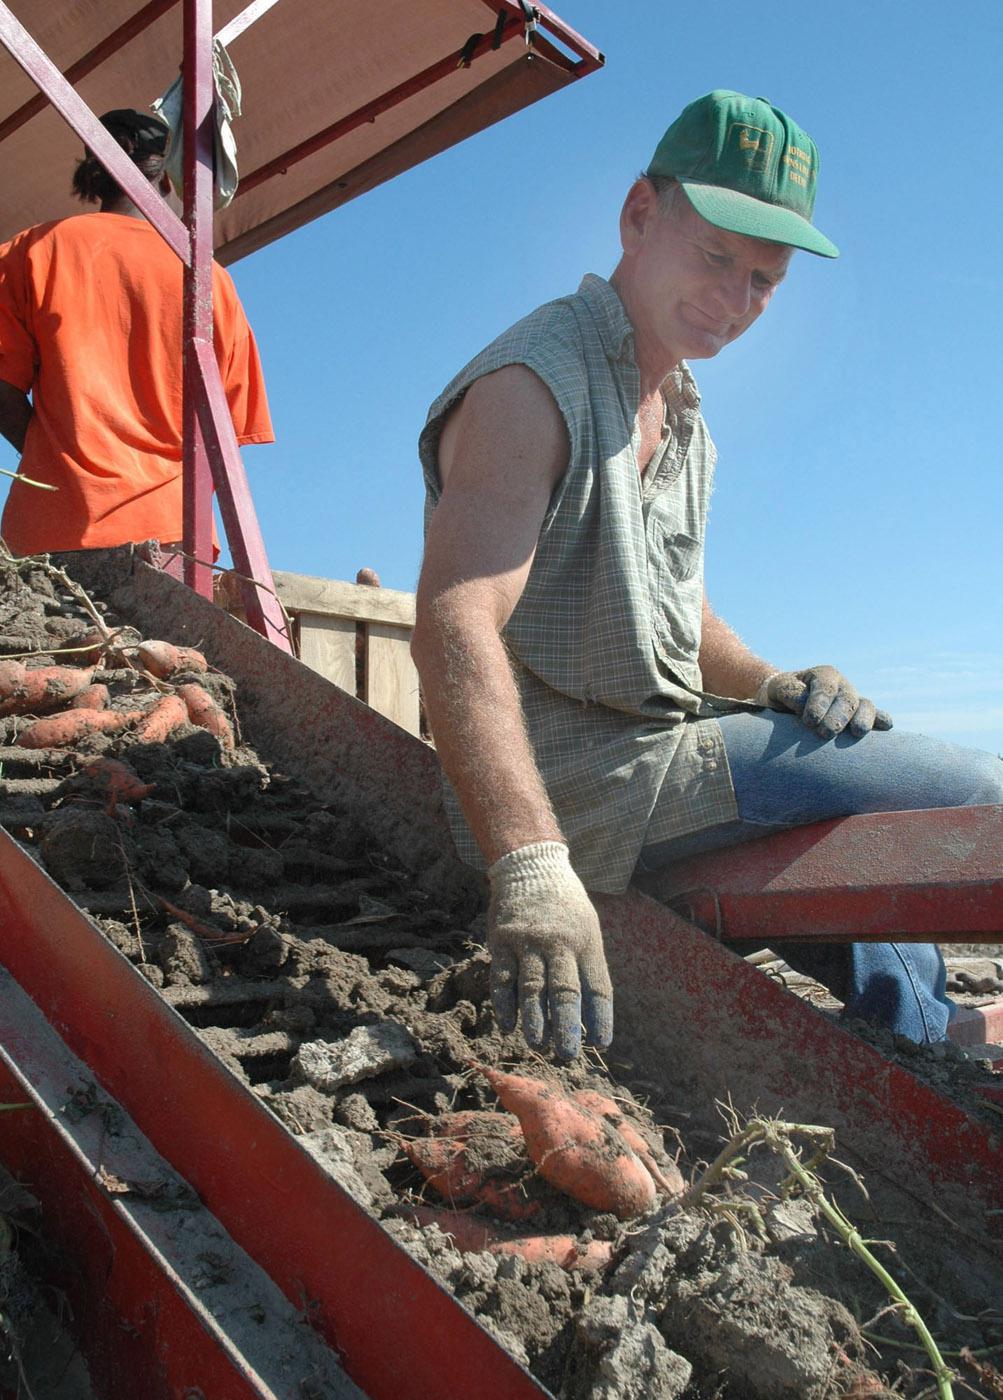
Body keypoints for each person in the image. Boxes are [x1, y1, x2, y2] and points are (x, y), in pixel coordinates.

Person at [411, 90, 1003, 1060]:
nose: (734, 300)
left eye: (764, 280)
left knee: (842, 781)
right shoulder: (533, 386)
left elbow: (677, 614)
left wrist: (769, 681)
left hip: (657, 753)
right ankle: (924, 1031)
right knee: (971, 796)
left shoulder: (679, 413)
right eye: (715, 257)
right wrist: (527, 865)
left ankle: (915, 1041)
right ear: (639, 215)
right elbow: (453, 625)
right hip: (575, 786)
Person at [0, 108, 273, 556]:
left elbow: (2, 392)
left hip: (53, 527)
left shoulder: (31, 251)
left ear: (91, 173)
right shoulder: (210, 279)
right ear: (167, 179)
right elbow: (226, 429)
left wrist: (53, 452)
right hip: (172, 532)